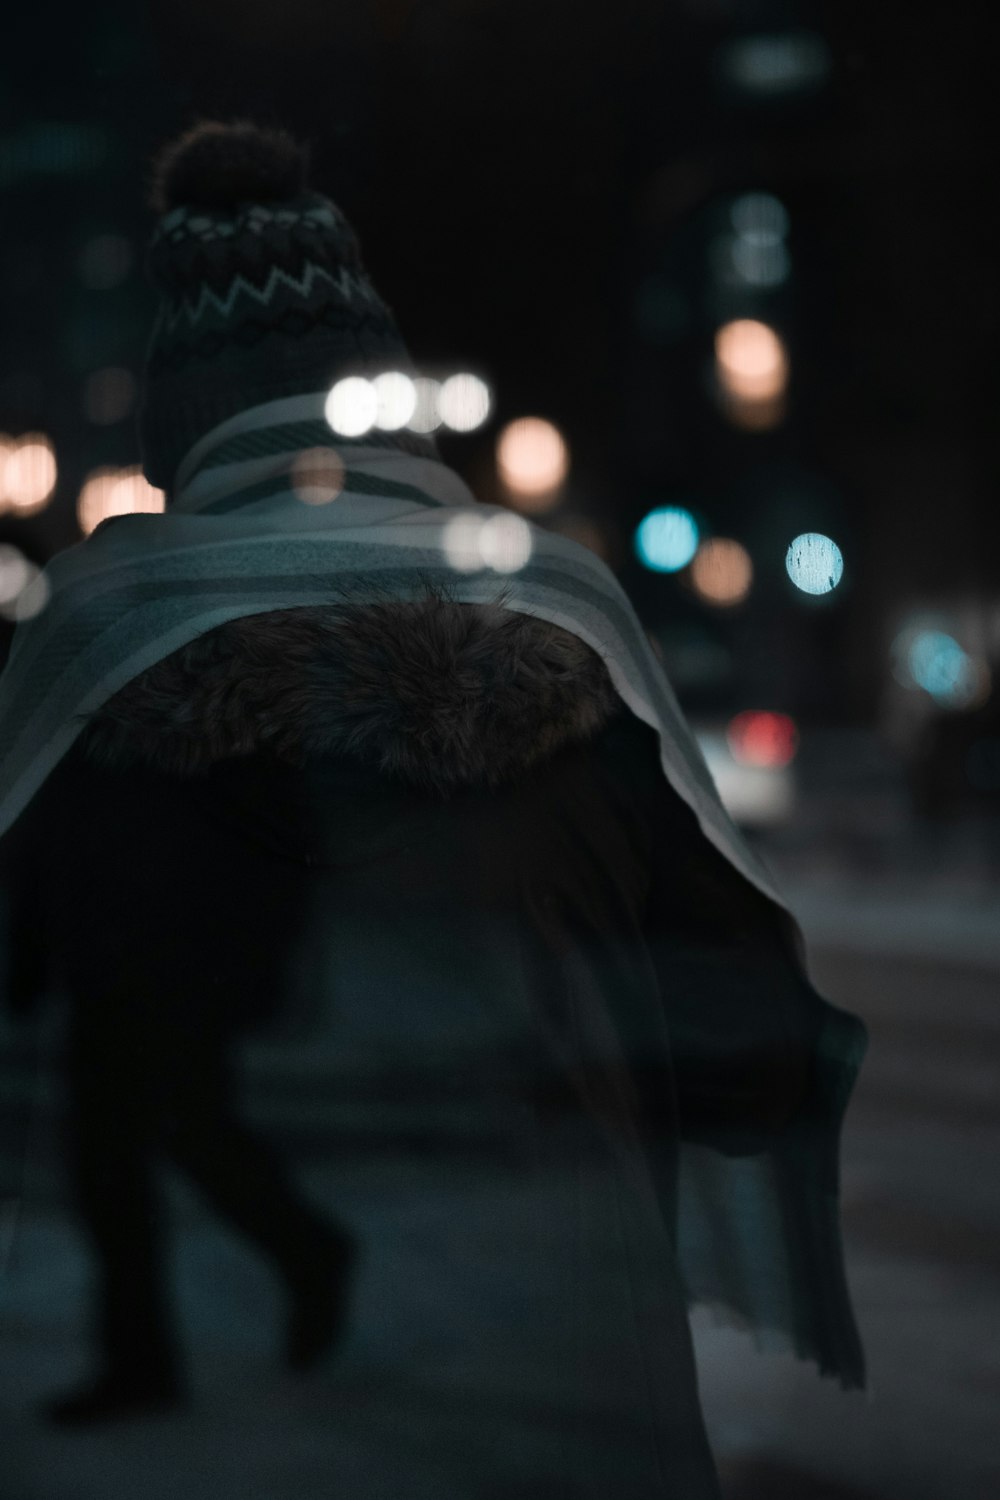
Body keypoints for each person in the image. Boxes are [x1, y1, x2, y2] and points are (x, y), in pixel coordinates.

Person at [0, 120, 868, 1493]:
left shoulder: (79, 658)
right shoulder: (568, 642)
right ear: (378, 400)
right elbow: (757, 1054)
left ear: (183, 434)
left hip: (189, 1424)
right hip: (559, 1406)